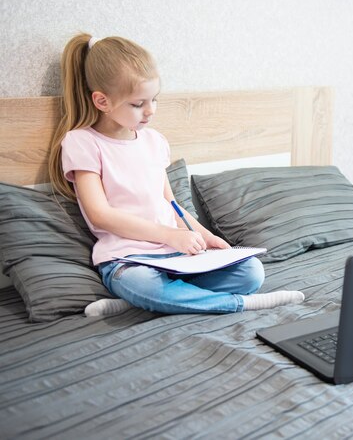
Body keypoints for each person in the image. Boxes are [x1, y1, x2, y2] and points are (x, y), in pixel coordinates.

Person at [48, 33, 304, 317]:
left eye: (154, 99)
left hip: (175, 256)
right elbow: (100, 215)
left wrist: (204, 236)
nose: (150, 111)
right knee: (142, 284)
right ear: (102, 101)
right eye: (137, 104)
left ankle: (140, 301)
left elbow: (170, 204)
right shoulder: (82, 142)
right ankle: (235, 304)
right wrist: (169, 236)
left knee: (251, 273)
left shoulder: (154, 141)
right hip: (128, 260)